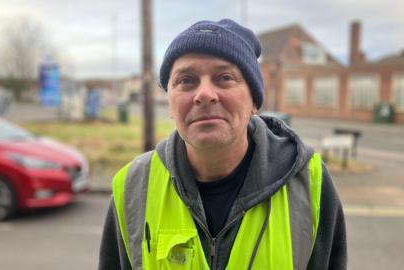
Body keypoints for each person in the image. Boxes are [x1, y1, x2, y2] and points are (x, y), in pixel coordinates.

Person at [99, 19, 347, 270]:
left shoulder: (309, 183)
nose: (204, 94)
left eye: (225, 77)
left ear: (253, 102)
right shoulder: (132, 187)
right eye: (186, 80)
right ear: (170, 105)